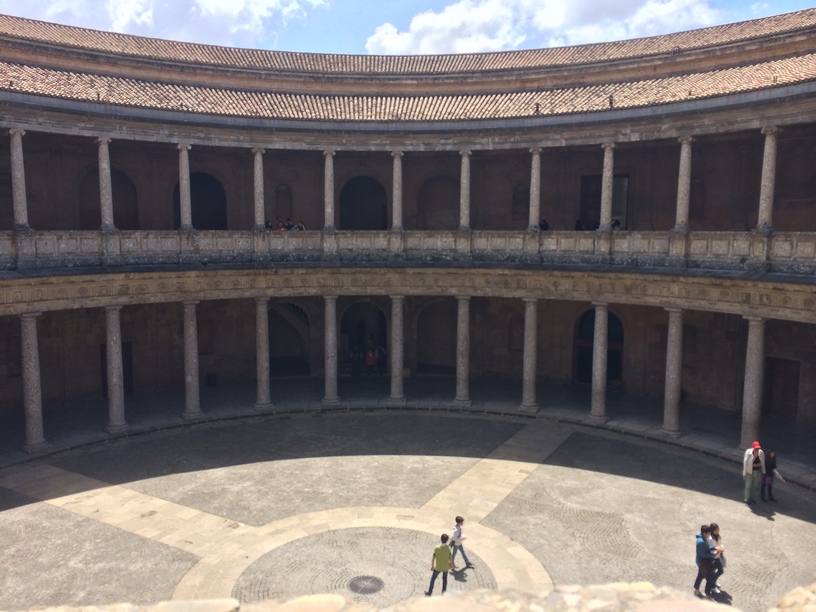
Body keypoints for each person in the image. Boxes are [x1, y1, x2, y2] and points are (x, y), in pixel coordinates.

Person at [693, 525, 717, 598]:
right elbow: (703, 554)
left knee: (700, 575)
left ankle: (696, 590)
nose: (710, 535)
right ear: (704, 533)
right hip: (703, 563)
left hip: (703, 562)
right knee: (710, 579)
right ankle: (707, 595)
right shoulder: (701, 542)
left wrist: (715, 548)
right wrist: (713, 554)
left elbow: (709, 546)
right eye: (709, 533)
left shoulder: (705, 538)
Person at [743, 440, 765, 505]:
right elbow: (747, 463)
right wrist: (754, 457)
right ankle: (747, 499)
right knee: (748, 486)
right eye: (756, 448)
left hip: (756, 472)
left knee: (754, 486)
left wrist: (757, 466)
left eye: (758, 448)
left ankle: (752, 498)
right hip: (749, 471)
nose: (757, 450)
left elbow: (762, 463)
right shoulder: (748, 452)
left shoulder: (761, 453)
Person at [709, 523, 725, 593]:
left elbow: (720, 543)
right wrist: (718, 550)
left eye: (718, 530)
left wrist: (722, 547)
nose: (718, 531)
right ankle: (712, 586)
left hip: (718, 556)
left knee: (717, 571)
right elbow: (711, 549)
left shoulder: (718, 536)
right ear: (713, 530)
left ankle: (713, 582)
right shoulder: (710, 538)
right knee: (719, 571)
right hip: (713, 558)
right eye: (716, 530)